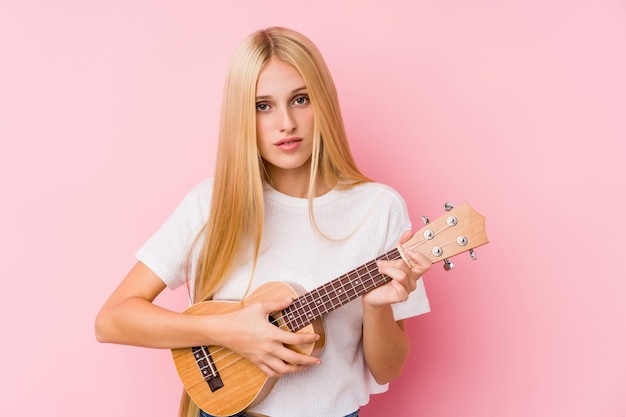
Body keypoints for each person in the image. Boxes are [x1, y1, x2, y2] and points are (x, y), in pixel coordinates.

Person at [95, 26, 432, 417]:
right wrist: (228, 331)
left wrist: (375, 307)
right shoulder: (211, 203)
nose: (285, 123)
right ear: (242, 116)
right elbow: (112, 320)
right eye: (262, 106)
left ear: (323, 102)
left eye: (300, 99)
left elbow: (388, 369)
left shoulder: (379, 208)